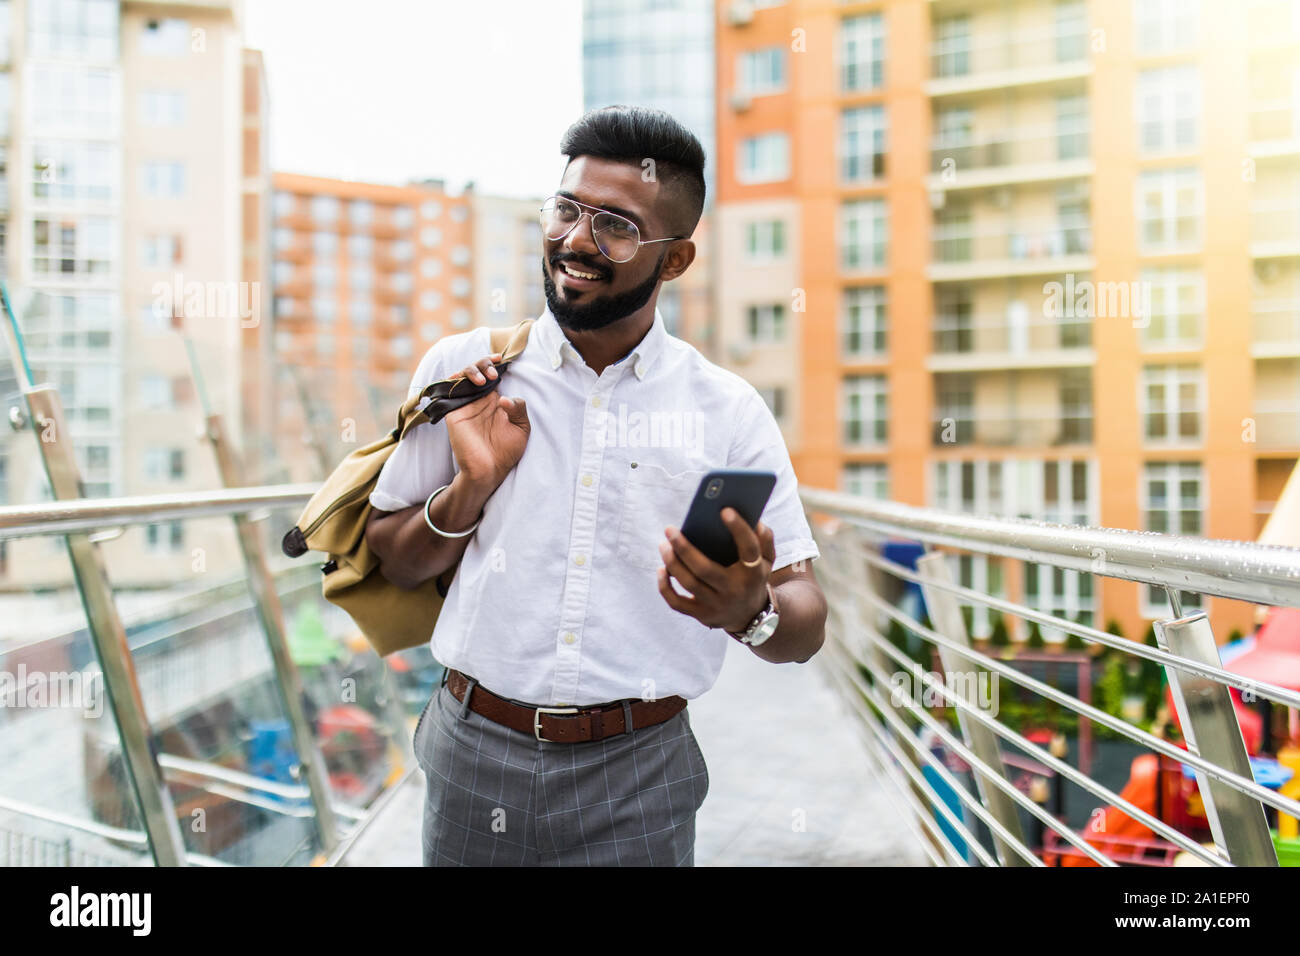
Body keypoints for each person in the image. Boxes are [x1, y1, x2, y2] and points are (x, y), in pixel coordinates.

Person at [364, 105, 827, 866]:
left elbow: (806, 626)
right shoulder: (464, 369)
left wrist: (752, 609)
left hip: (641, 771)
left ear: (674, 261)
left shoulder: (727, 409)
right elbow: (395, 560)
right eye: (567, 210)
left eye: (615, 225)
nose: (576, 240)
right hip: (474, 750)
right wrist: (470, 488)